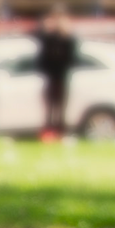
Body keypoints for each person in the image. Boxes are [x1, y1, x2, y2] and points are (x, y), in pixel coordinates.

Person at [33, 10, 82, 140]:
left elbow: (73, 57)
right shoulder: (49, 38)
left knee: (60, 108)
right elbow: (39, 39)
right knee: (51, 107)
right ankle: (50, 133)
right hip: (51, 77)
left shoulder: (68, 39)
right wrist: (46, 27)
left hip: (62, 77)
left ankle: (59, 133)